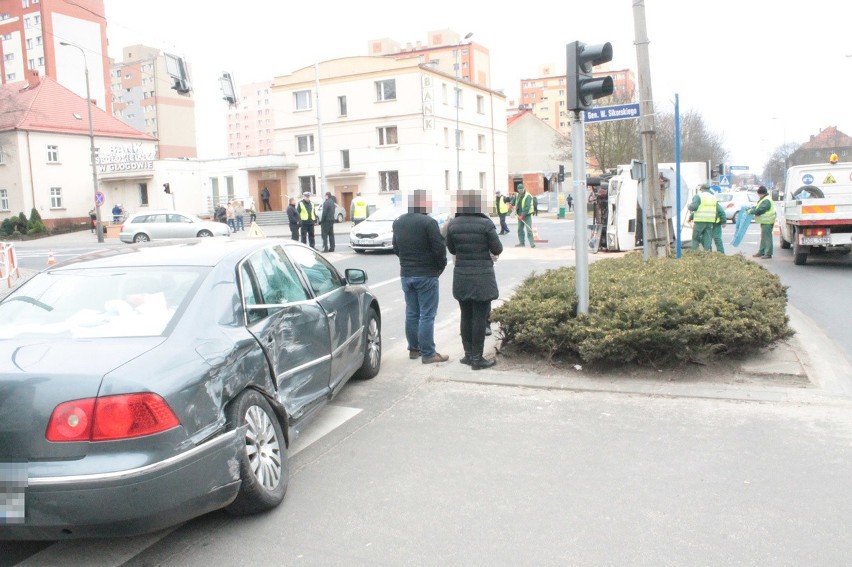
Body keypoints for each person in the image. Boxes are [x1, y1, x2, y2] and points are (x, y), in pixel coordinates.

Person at [446, 189, 503, 369]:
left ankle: (468, 355)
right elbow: (497, 248)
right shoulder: (486, 224)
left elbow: (452, 250)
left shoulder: (453, 225)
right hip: (482, 277)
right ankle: (478, 359)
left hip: (462, 276)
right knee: (480, 317)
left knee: (466, 316)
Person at [392, 189, 449, 364]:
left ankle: (414, 349)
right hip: (426, 274)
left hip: (406, 274)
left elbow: (396, 247)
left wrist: (406, 261)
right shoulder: (428, 222)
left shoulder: (399, 222)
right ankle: (429, 353)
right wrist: (440, 267)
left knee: (411, 313)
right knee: (426, 315)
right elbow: (438, 248)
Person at [748, 185, 775, 259]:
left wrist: (751, 211)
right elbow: (758, 207)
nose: (758, 196)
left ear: (761, 193)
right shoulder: (764, 199)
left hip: (768, 221)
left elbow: (760, 210)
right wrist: (752, 209)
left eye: (758, 194)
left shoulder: (766, 200)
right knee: (764, 237)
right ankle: (761, 251)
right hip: (765, 222)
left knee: (767, 237)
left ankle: (768, 253)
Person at [688, 184, 717, 251]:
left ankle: (695, 252)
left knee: (695, 238)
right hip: (710, 220)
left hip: (700, 220)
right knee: (707, 238)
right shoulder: (713, 197)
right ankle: (707, 252)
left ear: (701, 189)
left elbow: (694, 207)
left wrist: (689, 206)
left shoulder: (698, 196)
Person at [514, 183, 536, 248]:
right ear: (517, 190)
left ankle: (532, 243)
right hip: (519, 215)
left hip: (527, 216)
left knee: (529, 229)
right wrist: (511, 204)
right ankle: (521, 243)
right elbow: (514, 200)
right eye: (519, 190)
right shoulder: (517, 195)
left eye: (521, 189)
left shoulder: (528, 196)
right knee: (520, 229)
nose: (520, 191)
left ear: (524, 189)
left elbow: (527, 207)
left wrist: (522, 215)